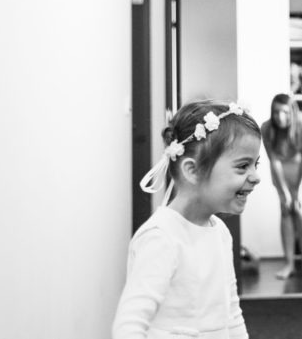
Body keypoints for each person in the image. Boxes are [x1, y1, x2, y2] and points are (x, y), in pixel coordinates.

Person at [112, 100, 262, 339]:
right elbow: (129, 325)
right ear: (192, 170)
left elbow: (232, 313)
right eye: (243, 166)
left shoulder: (220, 232)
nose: (256, 177)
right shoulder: (161, 237)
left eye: (256, 164)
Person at [261, 93, 302, 279]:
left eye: (285, 112)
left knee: (300, 210)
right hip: (282, 172)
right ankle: (289, 264)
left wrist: (300, 191)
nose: (280, 117)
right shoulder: (266, 128)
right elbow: (274, 160)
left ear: (292, 112)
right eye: (276, 112)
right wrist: (284, 192)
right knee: (286, 210)